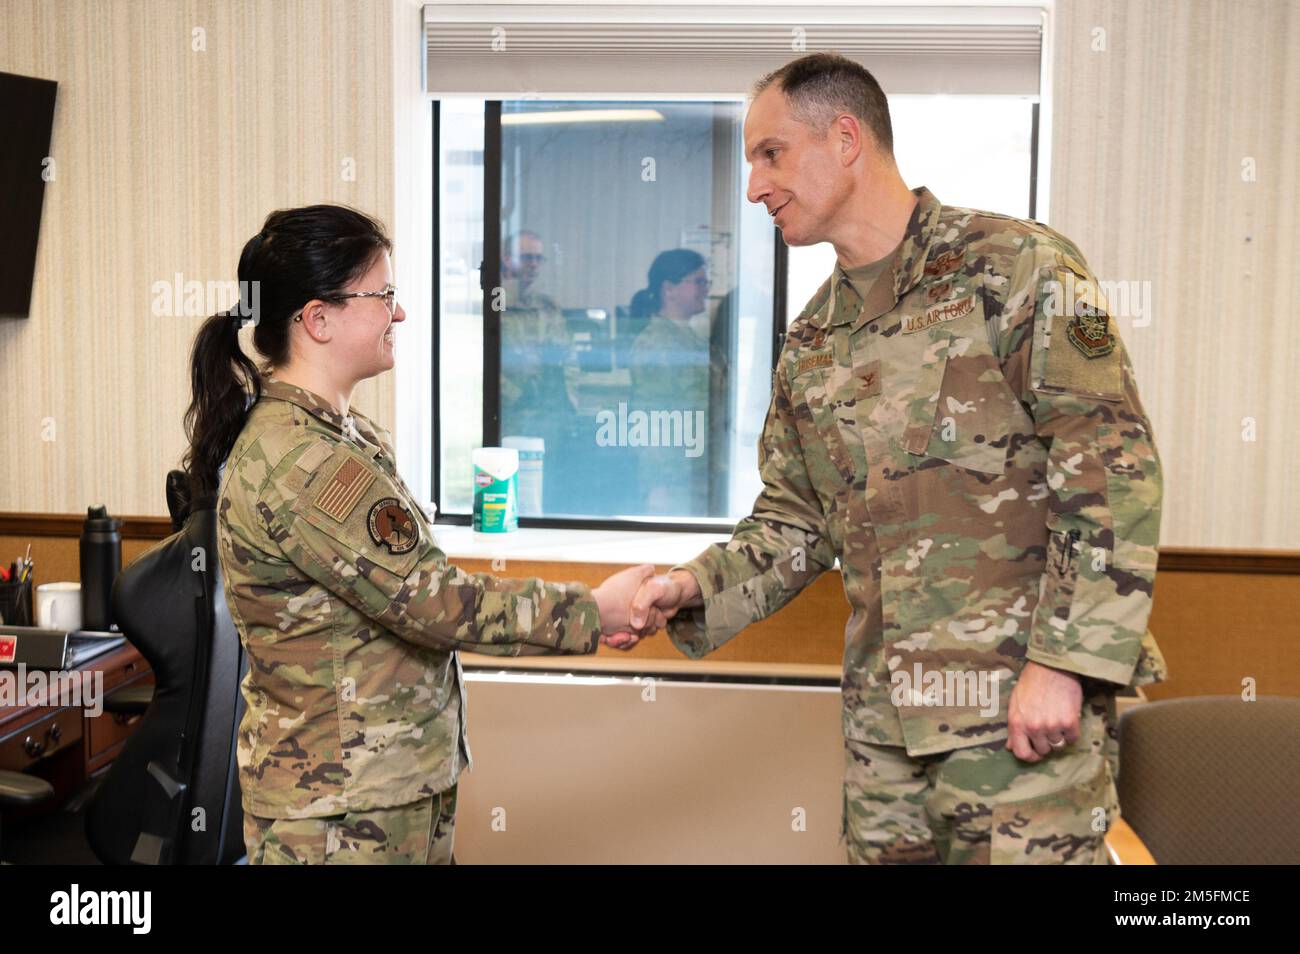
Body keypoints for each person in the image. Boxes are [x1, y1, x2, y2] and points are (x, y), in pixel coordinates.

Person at [627, 53, 1167, 864]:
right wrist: (689, 587)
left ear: (845, 139)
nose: (753, 187)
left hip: (1019, 716)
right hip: (886, 731)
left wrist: (1065, 663)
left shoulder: (1015, 267)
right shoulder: (811, 337)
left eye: (769, 154)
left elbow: (1109, 468)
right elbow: (797, 520)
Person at [182, 205, 656, 864]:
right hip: (342, 818)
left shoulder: (340, 436)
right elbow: (438, 605)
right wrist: (593, 611)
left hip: (378, 795)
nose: (398, 314)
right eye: (383, 296)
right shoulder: (307, 463)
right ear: (317, 320)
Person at [626, 250, 715, 516]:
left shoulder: (691, 338)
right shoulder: (657, 344)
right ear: (669, 289)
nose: (706, 290)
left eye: (705, 282)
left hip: (698, 472)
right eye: (698, 282)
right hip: (675, 480)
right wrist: (658, 487)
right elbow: (655, 421)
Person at [499, 230, 582, 514]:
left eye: (538, 258)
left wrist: (569, 404)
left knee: (546, 493)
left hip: (550, 416)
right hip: (509, 416)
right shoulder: (495, 304)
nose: (533, 264)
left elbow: (569, 358)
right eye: (526, 257)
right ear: (507, 260)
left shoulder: (548, 307)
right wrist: (515, 394)